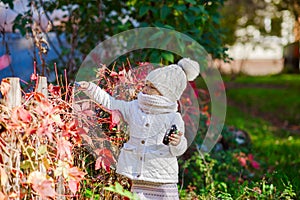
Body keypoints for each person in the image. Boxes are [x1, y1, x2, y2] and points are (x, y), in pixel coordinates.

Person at [78, 58, 200, 199]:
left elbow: (179, 150)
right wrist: (90, 88)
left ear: (166, 93)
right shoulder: (135, 108)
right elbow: (111, 103)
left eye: (151, 87)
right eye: (146, 84)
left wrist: (177, 142)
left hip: (163, 178)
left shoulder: (173, 117)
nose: (145, 89)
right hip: (140, 176)